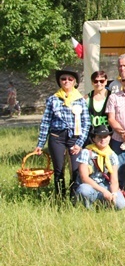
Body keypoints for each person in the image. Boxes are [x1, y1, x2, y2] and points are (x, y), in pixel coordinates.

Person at [35, 69, 91, 197]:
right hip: (57, 137)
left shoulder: (80, 100)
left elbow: (86, 123)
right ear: (59, 81)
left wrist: (80, 143)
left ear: (75, 82)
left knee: (76, 170)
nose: (66, 81)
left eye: (70, 79)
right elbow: (46, 122)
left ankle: (74, 197)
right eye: (63, 79)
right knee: (59, 170)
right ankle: (60, 196)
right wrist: (40, 143)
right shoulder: (53, 99)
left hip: (74, 138)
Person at [75, 125, 125, 210]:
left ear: (109, 138)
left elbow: (114, 180)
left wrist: (113, 194)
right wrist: (104, 192)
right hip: (89, 185)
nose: (103, 140)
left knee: (121, 204)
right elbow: (84, 178)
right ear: (94, 139)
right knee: (84, 190)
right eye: (99, 137)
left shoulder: (112, 155)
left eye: (105, 136)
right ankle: (88, 209)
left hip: (105, 185)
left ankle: (103, 206)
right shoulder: (86, 152)